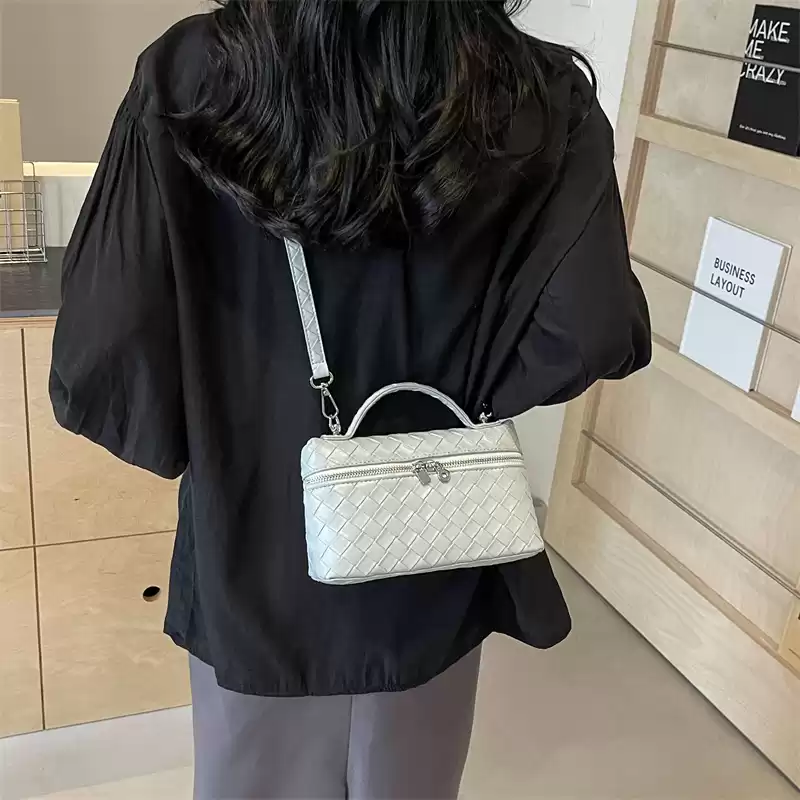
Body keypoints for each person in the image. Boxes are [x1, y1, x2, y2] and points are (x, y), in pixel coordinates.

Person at [50, 2, 651, 798]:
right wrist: (465, 405)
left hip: (252, 557)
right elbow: (589, 324)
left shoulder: (191, 73)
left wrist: (226, 430)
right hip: (434, 548)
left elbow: (104, 344)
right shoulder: (534, 89)